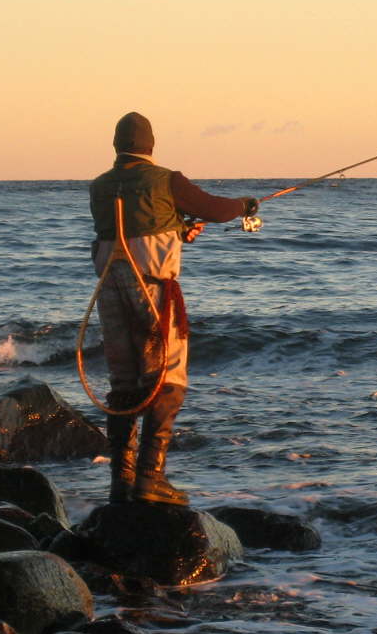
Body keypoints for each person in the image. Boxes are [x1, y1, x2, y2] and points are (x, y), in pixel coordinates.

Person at [89, 111, 258, 506]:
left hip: (109, 289)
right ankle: (151, 479)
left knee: (125, 382)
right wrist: (245, 204)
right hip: (153, 291)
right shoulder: (166, 179)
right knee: (167, 378)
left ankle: (121, 482)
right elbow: (217, 209)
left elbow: (130, 227)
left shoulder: (98, 187)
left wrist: (179, 229)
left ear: (116, 145)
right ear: (151, 145)